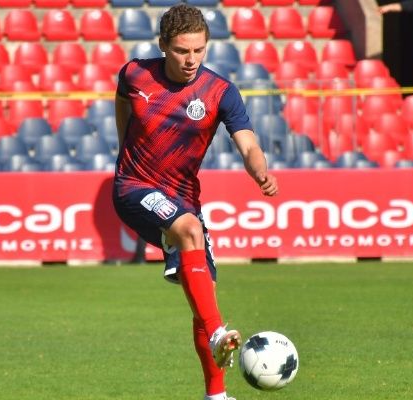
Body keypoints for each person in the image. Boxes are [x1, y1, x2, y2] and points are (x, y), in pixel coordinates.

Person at [112, 4, 279, 400]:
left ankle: (215, 396)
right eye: (182, 51)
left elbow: (248, 145)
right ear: (163, 45)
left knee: (203, 296)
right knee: (188, 230)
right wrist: (124, 150)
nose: (191, 60)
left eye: (199, 50)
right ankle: (218, 331)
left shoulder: (220, 92)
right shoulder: (135, 74)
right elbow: (122, 103)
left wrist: (259, 171)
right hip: (134, 186)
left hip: (183, 198)